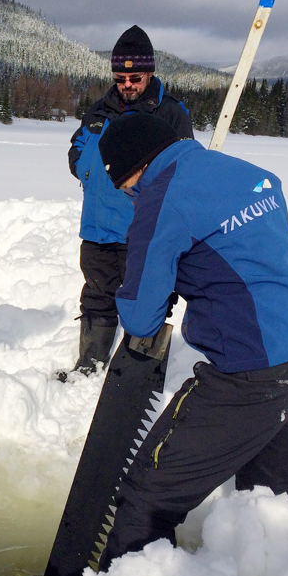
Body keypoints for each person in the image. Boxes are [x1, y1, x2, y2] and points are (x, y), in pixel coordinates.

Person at [91, 113, 288, 570]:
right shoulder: (252, 175)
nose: (131, 196)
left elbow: (142, 316)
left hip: (254, 374)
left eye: (127, 187)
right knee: (264, 524)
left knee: (145, 500)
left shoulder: (162, 195)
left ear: (138, 168)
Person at [61, 25, 194, 379]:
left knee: (148, 299)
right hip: (98, 227)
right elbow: (77, 149)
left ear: (149, 73)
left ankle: (137, 375)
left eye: (135, 77)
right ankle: (90, 364)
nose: (127, 84)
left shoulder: (170, 113)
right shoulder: (99, 110)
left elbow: (183, 168)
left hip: (143, 230)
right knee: (97, 296)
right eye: (120, 77)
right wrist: (86, 168)